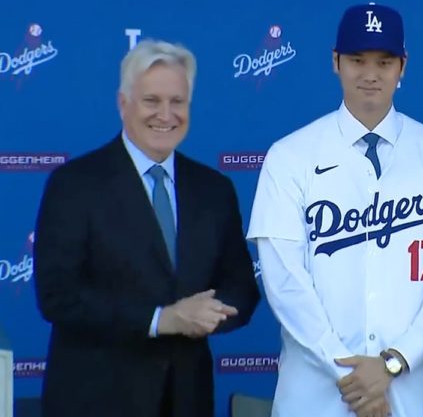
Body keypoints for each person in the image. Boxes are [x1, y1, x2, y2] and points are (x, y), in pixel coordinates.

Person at [247, 2, 423, 417]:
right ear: (335, 62)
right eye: (357, 59)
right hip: (317, 396)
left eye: (384, 61)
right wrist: (352, 376)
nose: (370, 74)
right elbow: (286, 285)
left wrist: (393, 362)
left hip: (414, 390)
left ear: (402, 66)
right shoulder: (289, 157)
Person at [33, 39, 260, 417]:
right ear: (123, 105)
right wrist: (161, 319)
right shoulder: (74, 184)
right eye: (151, 101)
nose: (166, 114)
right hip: (95, 401)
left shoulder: (214, 189)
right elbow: (59, 295)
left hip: (187, 399)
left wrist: (210, 313)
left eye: (177, 102)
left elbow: (242, 287)